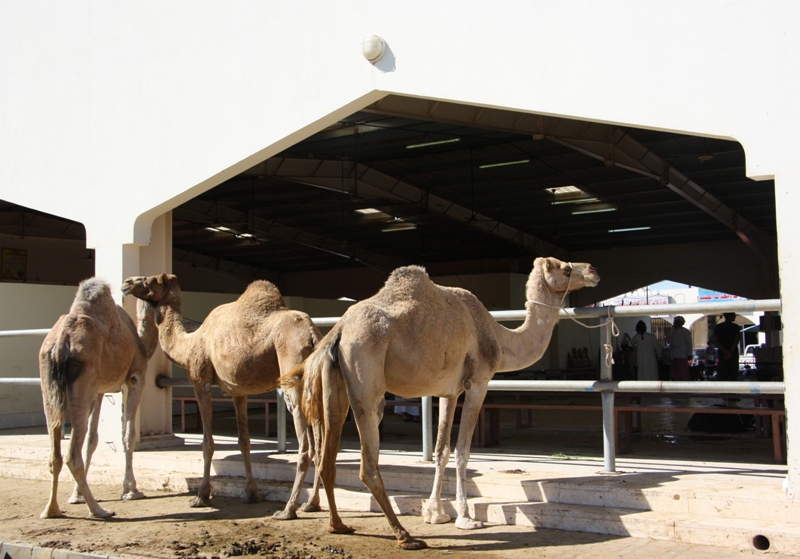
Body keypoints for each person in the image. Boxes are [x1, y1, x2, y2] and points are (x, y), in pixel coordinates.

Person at [714, 312, 742, 382]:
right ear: (730, 316)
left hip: (722, 353)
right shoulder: (735, 327)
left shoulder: (718, 327)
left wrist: (724, 351)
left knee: (723, 372)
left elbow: (716, 340)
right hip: (733, 352)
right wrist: (730, 352)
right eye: (733, 316)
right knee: (733, 372)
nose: (735, 317)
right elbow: (736, 340)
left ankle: (723, 389)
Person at [668, 315, 693, 381]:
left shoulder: (686, 332)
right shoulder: (674, 332)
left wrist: (689, 354)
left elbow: (689, 343)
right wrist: (670, 355)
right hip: (674, 355)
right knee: (674, 374)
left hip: (682, 355)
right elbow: (671, 345)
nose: (674, 324)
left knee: (682, 373)